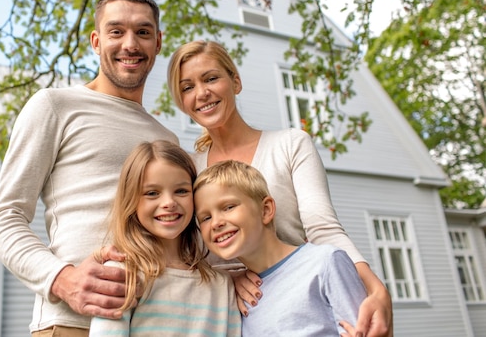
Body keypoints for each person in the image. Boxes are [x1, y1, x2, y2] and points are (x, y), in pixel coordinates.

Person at [0, 0, 179, 336]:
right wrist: (63, 279)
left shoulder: (168, 140)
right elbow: (3, 220)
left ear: (158, 42)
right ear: (96, 40)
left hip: (157, 323)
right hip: (73, 323)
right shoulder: (55, 106)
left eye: (143, 32)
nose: (130, 44)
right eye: (116, 31)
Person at [167, 40, 393, 336]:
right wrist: (227, 279)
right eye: (187, 87)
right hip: (236, 316)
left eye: (211, 78)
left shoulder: (290, 145)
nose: (202, 93)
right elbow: (184, 256)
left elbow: (323, 228)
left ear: (235, 81)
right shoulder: (189, 172)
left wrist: (376, 290)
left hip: (303, 306)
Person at [194, 159, 367, 336]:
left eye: (229, 207)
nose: (216, 223)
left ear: (266, 210)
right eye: (205, 218)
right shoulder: (235, 295)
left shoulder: (326, 262)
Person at [89, 140, 241, 336]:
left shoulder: (222, 285)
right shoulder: (121, 276)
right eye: (152, 193)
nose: (169, 202)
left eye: (181, 191)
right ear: (131, 200)